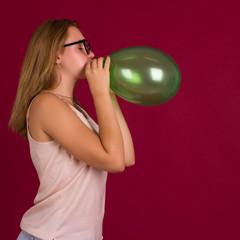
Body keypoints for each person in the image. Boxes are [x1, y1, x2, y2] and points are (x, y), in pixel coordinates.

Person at [9, 19, 135, 240]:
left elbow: (125, 157)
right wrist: (100, 95)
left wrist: (110, 94)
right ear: (56, 55)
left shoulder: (75, 110)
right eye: (81, 47)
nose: (91, 53)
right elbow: (113, 161)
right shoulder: (45, 104)